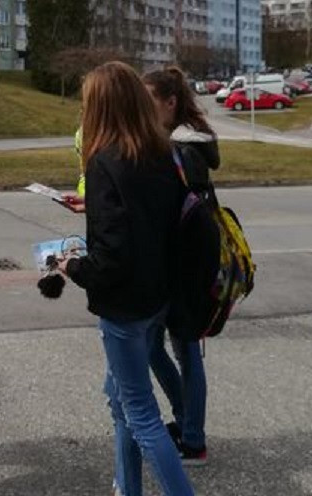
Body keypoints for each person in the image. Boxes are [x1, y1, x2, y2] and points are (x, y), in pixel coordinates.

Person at [58, 61, 194, 496]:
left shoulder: (104, 161)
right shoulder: (161, 153)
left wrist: (71, 266)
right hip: (158, 298)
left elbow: (111, 258)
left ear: (99, 108)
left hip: (125, 305)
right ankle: (127, 487)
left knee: (140, 413)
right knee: (120, 401)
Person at [142, 66, 220, 467]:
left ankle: (193, 439)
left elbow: (174, 213)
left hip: (183, 268)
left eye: (149, 100)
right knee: (169, 347)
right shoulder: (184, 142)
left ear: (170, 103)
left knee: (175, 349)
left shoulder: (183, 150)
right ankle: (188, 424)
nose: (142, 108)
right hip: (188, 264)